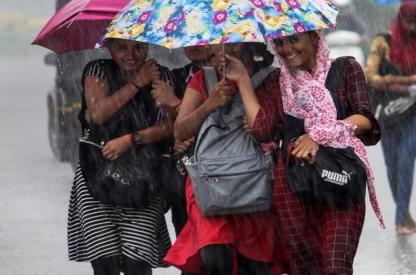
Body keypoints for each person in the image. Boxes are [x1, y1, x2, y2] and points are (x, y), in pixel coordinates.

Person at [223, 31, 383, 274]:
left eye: (294, 40)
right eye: (279, 42)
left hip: (341, 179)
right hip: (293, 187)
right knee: (305, 268)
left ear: (314, 39)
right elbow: (262, 129)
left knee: (335, 266)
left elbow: (366, 120)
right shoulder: (279, 81)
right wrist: (243, 80)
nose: (286, 48)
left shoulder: (346, 68)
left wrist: (318, 135)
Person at [163, 42, 277, 275]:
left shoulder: (270, 78)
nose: (209, 46)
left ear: (238, 44)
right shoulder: (202, 79)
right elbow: (180, 132)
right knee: (215, 262)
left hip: (253, 186)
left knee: (255, 265)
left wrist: (245, 85)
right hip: (209, 187)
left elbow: (273, 129)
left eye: (217, 40)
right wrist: (209, 105)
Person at [67, 38, 173, 275]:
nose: (131, 55)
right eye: (122, 48)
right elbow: (98, 114)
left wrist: (130, 140)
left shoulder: (162, 75)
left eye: (139, 47)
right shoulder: (97, 70)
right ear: (109, 47)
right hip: (97, 179)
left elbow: (171, 127)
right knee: (105, 263)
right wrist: (136, 83)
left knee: (138, 263)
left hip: (146, 182)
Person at [150, 45, 213, 275]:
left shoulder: (227, 75)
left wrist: (173, 102)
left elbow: (219, 121)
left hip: (224, 178)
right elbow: (167, 130)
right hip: (185, 183)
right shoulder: (174, 77)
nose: (196, 44)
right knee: (192, 259)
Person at [365, 0, 416, 236]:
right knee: (391, 166)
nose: (412, 28)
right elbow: (371, 75)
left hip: (415, 113)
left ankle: (399, 220)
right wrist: (400, 83)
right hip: (387, 115)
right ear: (400, 20)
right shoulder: (382, 42)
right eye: (408, 22)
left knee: (406, 162)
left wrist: (394, 81)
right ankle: (404, 211)